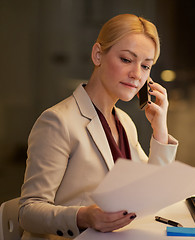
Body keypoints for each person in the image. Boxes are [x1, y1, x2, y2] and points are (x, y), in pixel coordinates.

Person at [19, 13, 178, 240]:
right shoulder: (57, 121)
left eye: (145, 66)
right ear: (97, 55)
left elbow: (153, 191)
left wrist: (160, 129)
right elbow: (28, 212)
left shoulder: (124, 122)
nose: (136, 74)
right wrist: (83, 216)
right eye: (126, 59)